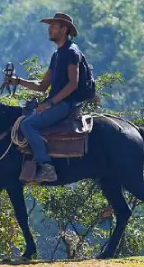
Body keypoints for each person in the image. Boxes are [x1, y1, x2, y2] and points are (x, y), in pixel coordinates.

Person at [6, 12, 87, 183]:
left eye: (53, 26)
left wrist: (50, 103)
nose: (49, 29)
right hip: (58, 103)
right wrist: (18, 81)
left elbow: (73, 84)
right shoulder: (57, 55)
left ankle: (46, 167)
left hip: (66, 105)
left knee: (28, 124)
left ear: (64, 29)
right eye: (50, 26)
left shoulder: (71, 52)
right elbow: (42, 86)